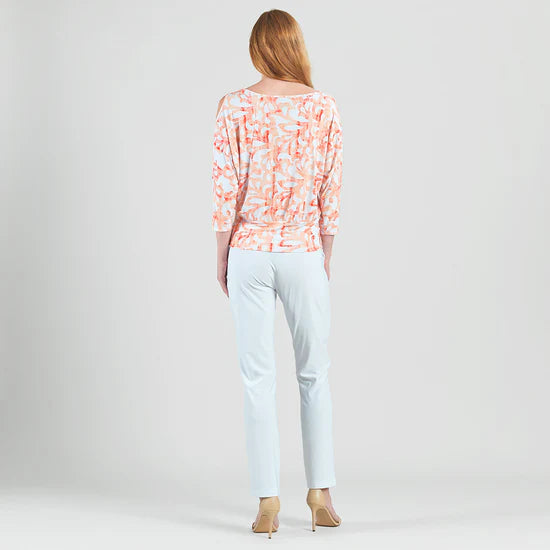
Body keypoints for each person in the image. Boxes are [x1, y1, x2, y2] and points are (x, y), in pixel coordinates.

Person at [211, 9, 343, 538]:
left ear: (257, 48)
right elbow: (330, 190)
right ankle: (320, 494)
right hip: (302, 249)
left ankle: (267, 502)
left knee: (257, 379)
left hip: (248, 249)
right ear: (294, 46)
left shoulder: (233, 107)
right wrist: (323, 254)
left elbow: (225, 188)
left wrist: (221, 255)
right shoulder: (323, 107)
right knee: (314, 373)